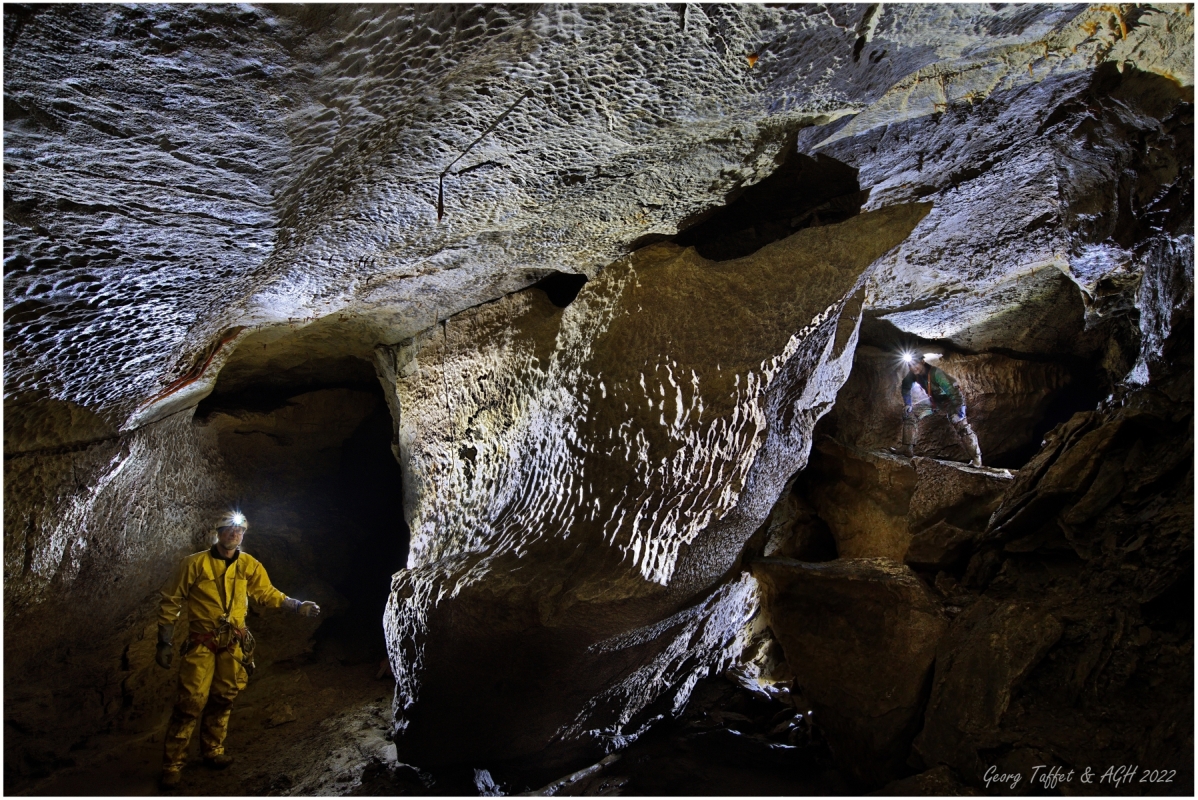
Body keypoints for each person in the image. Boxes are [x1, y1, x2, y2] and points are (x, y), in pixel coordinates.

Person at [155, 512, 320, 789]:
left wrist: (296, 604)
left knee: (224, 697)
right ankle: (172, 764)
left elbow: (267, 593)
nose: (234, 534)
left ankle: (213, 751)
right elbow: (171, 601)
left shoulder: (248, 565)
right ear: (218, 532)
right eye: (229, 529)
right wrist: (164, 642)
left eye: (239, 530)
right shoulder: (193, 564)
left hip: (232, 644)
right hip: (202, 643)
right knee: (190, 702)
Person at [897, 353, 983, 467]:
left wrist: (959, 412)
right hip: (935, 401)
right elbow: (905, 386)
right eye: (910, 365)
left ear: (922, 362)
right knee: (910, 413)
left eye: (915, 364)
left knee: (961, 425)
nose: (913, 368)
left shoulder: (936, 374)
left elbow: (955, 393)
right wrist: (908, 403)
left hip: (951, 401)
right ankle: (907, 448)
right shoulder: (913, 374)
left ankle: (976, 458)